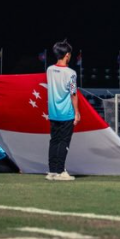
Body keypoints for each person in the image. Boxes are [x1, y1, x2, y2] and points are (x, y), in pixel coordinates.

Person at [46, 39, 79, 181]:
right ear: (67, 55)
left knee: (54, 141)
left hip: (53, 113)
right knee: (64, 142)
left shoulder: (49, 70)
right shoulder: (71, 73)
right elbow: (73, 94)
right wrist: (77, 112)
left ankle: (52, 171)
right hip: (66, 113)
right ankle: (61, 171)